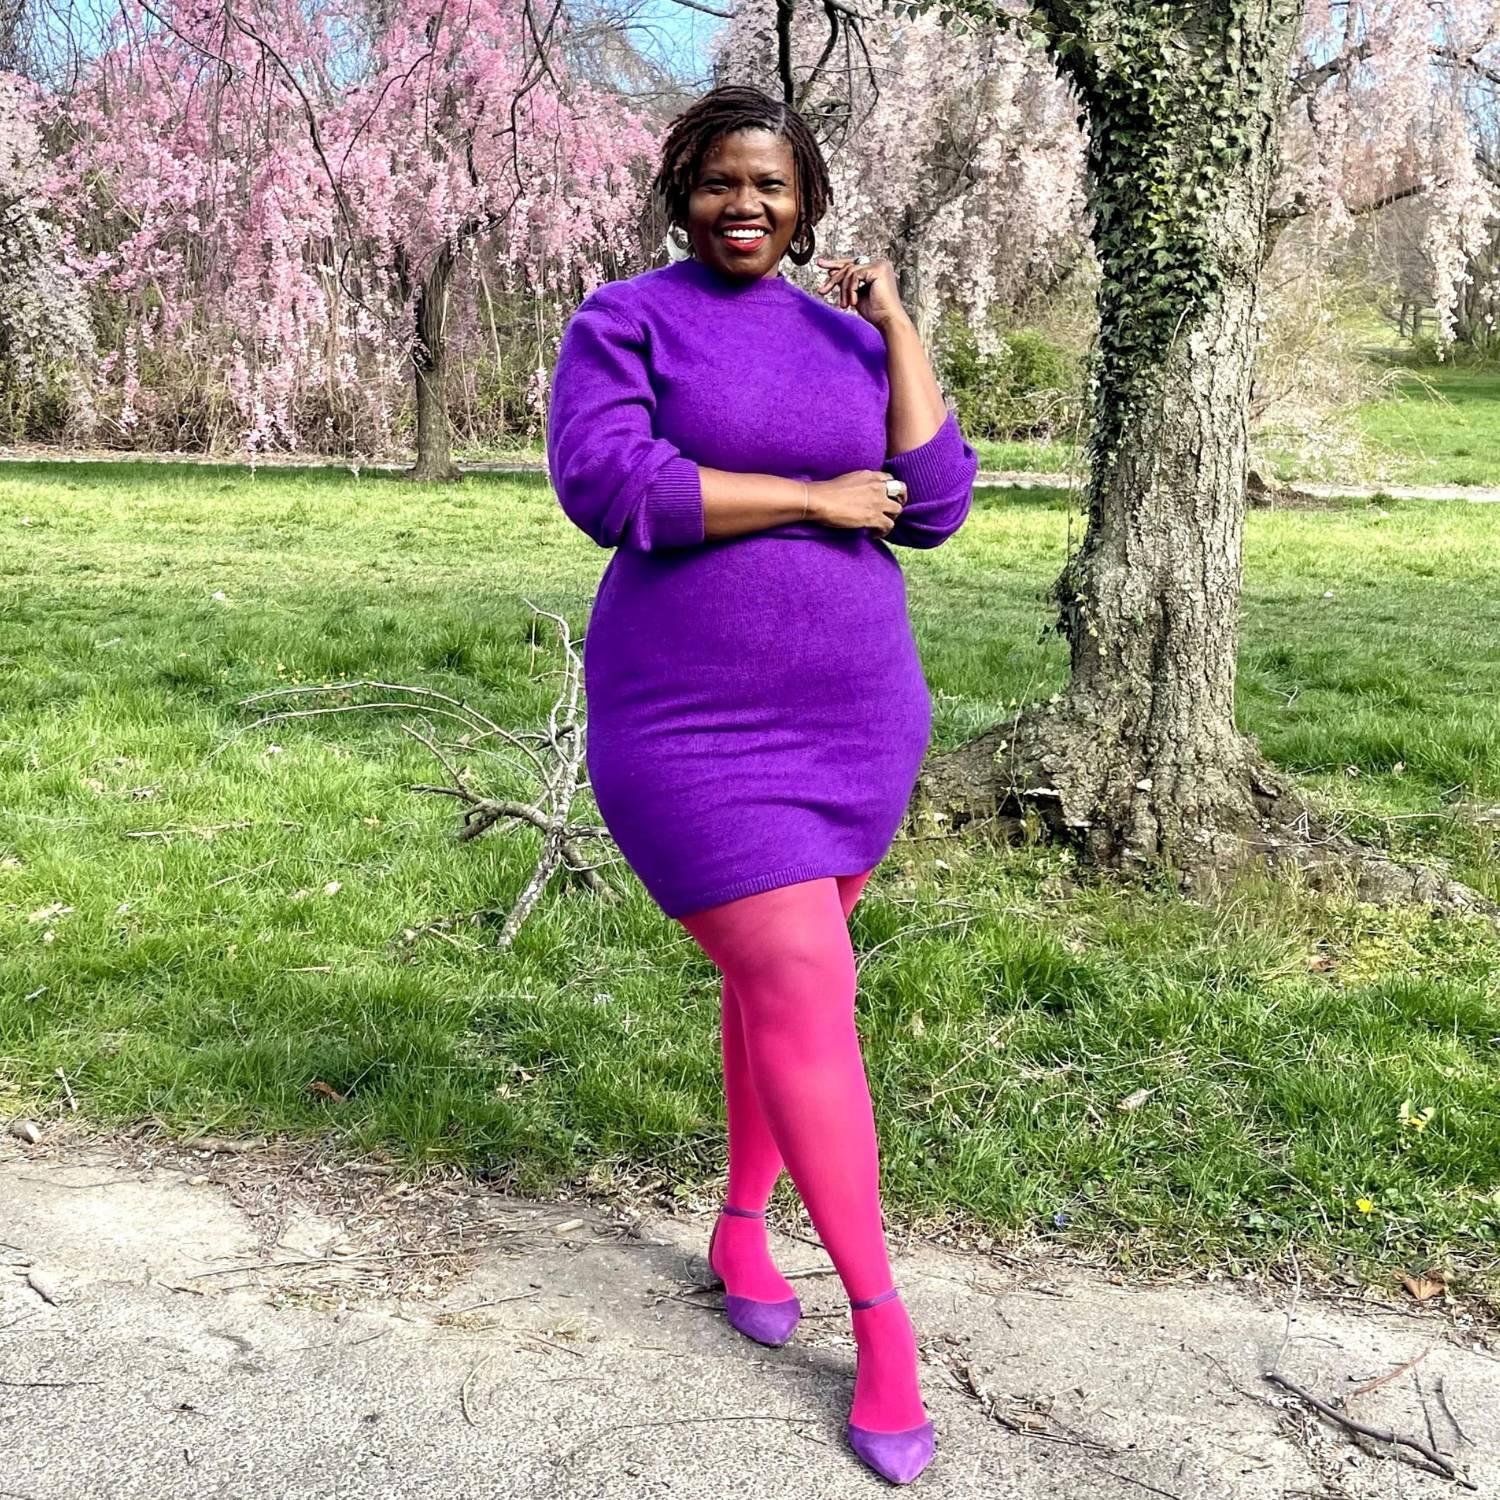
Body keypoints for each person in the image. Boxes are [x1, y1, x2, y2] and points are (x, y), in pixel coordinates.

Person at [546, 83, 977, 1487]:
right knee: (800, 979)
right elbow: (615, 487)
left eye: (773, 186)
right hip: (690, 731)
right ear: (684, 191)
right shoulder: (626, 321)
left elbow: (937, 500)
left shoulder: (846, 335)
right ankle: (883, 1322)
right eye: (722, 182)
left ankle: (743, 1225)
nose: (747, 206)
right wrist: (810, 497)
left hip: (856, 721)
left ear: (808, 205)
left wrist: (897, 324)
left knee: (774, 990)